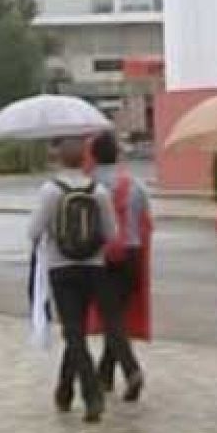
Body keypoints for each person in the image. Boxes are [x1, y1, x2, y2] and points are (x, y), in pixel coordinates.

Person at [28, 136, 117, 423]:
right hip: (94, 267)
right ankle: (64, 391)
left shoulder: (50, 191)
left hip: (61, 267)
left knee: (74, 332)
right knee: (75, 333)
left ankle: (91, 394)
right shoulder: (99, 191)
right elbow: (112, 234)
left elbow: (33, 231)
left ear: (59, 159)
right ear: (84, 160)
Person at [87, 132, 151, 401]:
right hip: (131, 255)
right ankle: (105, 375)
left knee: (111, 319)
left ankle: (131, 369)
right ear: (117, 154)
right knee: (117, 318)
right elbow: (145, 218)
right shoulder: (135, 185)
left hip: (101, 258)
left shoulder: (89, 186)